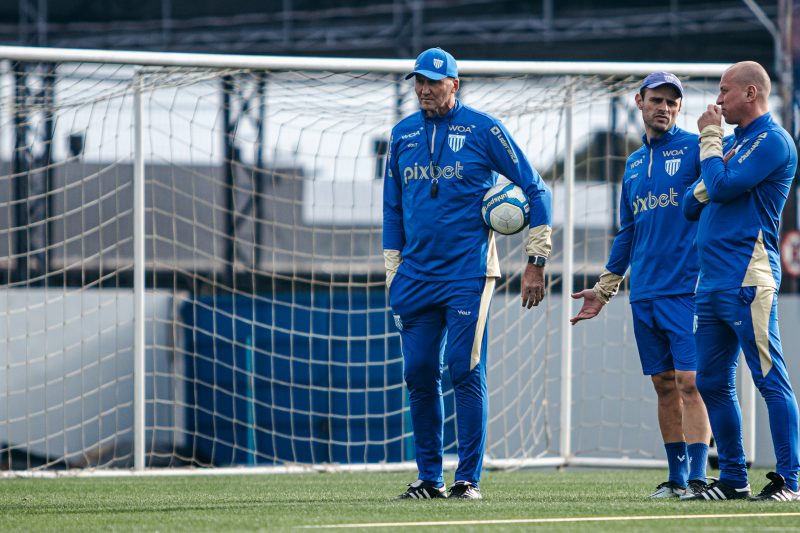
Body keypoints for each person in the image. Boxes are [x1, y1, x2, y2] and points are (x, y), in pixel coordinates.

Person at [383, 47, 552, 500]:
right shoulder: (401, 135)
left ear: (454, 85)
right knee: (419, 372)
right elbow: (392, 208)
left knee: (464, 367)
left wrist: (536, 261)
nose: (423, 90)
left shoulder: (483, 129)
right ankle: (428, 479)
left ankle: (467, 480)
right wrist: (392, 270)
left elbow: (536, 188)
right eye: (418, 82)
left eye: (433, 83)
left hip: (468, 275)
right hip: (415, 278)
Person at [570, 72, 711, 498]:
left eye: (672, 101)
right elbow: (626, 232)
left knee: (691, 381)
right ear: (640, 101)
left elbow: (721, 194)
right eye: (656, 100)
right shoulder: (632, 163)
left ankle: (701, 478)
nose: (664, 107)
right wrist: (604, 289)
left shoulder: (695, 150)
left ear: (680, 107)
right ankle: (677, 478)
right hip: (644, 293)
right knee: (663, 384)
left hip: (686, 289)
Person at [681, 61, 800, 501]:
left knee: (769, 377)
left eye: (724, 91)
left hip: (748, 278)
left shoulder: (773, 140)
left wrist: (710, 143)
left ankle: (791, 480)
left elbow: (724, 186)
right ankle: (733, 480)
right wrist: (716, 170)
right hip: (710, 283)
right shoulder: (733, 143)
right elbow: (690, 206)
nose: (717, 101)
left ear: (751, 93)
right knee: (711, 382)